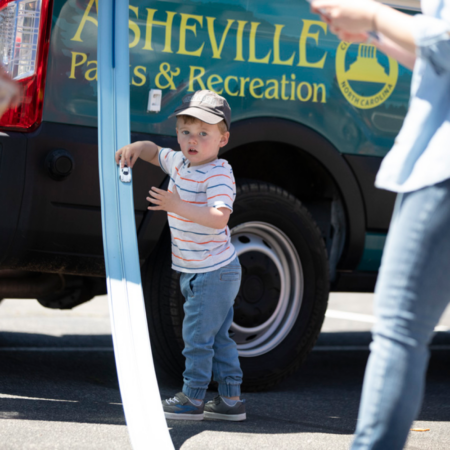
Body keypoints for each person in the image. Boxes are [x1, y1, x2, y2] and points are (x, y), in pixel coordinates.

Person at [310, 0, 450, 448]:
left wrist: (372, 15)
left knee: (399, 333)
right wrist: (370, 36)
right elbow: (436, 62)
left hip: (442, 172)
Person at [115, 90, 246, 422]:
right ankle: (230, 400)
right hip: (203, 268)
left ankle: (193, 398)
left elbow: (220, 217)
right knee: (216, 336)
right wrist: (134, 150)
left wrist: (177, 206)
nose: (193, 139)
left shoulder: (218, 173)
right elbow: (153, 151)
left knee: (197, 337)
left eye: (204, 133)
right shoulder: (179, 162)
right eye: (186, 131)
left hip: (213, 271)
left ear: (223, 139)